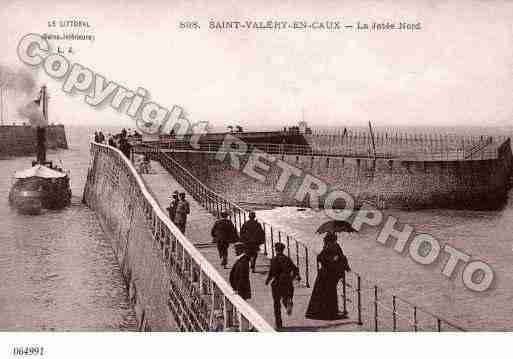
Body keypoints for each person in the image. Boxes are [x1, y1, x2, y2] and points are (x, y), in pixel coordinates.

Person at [305, 232, 350, 321]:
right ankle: (331, 313)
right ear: (334, 239)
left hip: (323, 274)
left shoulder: (326, 247)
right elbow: (341, 258)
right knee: (331, 294)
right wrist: (335, 260)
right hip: (330, 274)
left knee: (321, 293)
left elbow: (319, 258)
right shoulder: (334, 246)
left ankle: (318, 312)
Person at [265, 242, 300, 330]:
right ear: (283, 250)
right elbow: (295, 269)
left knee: (276, 304)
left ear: (276, 250)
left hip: (277, 283)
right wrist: (293, 277)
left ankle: (279, 324)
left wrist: (267, 280)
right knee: (285, 297)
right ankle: (288, 303)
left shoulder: (274, 260)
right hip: (287, 282)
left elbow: (272, 272)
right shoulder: (287, 259)